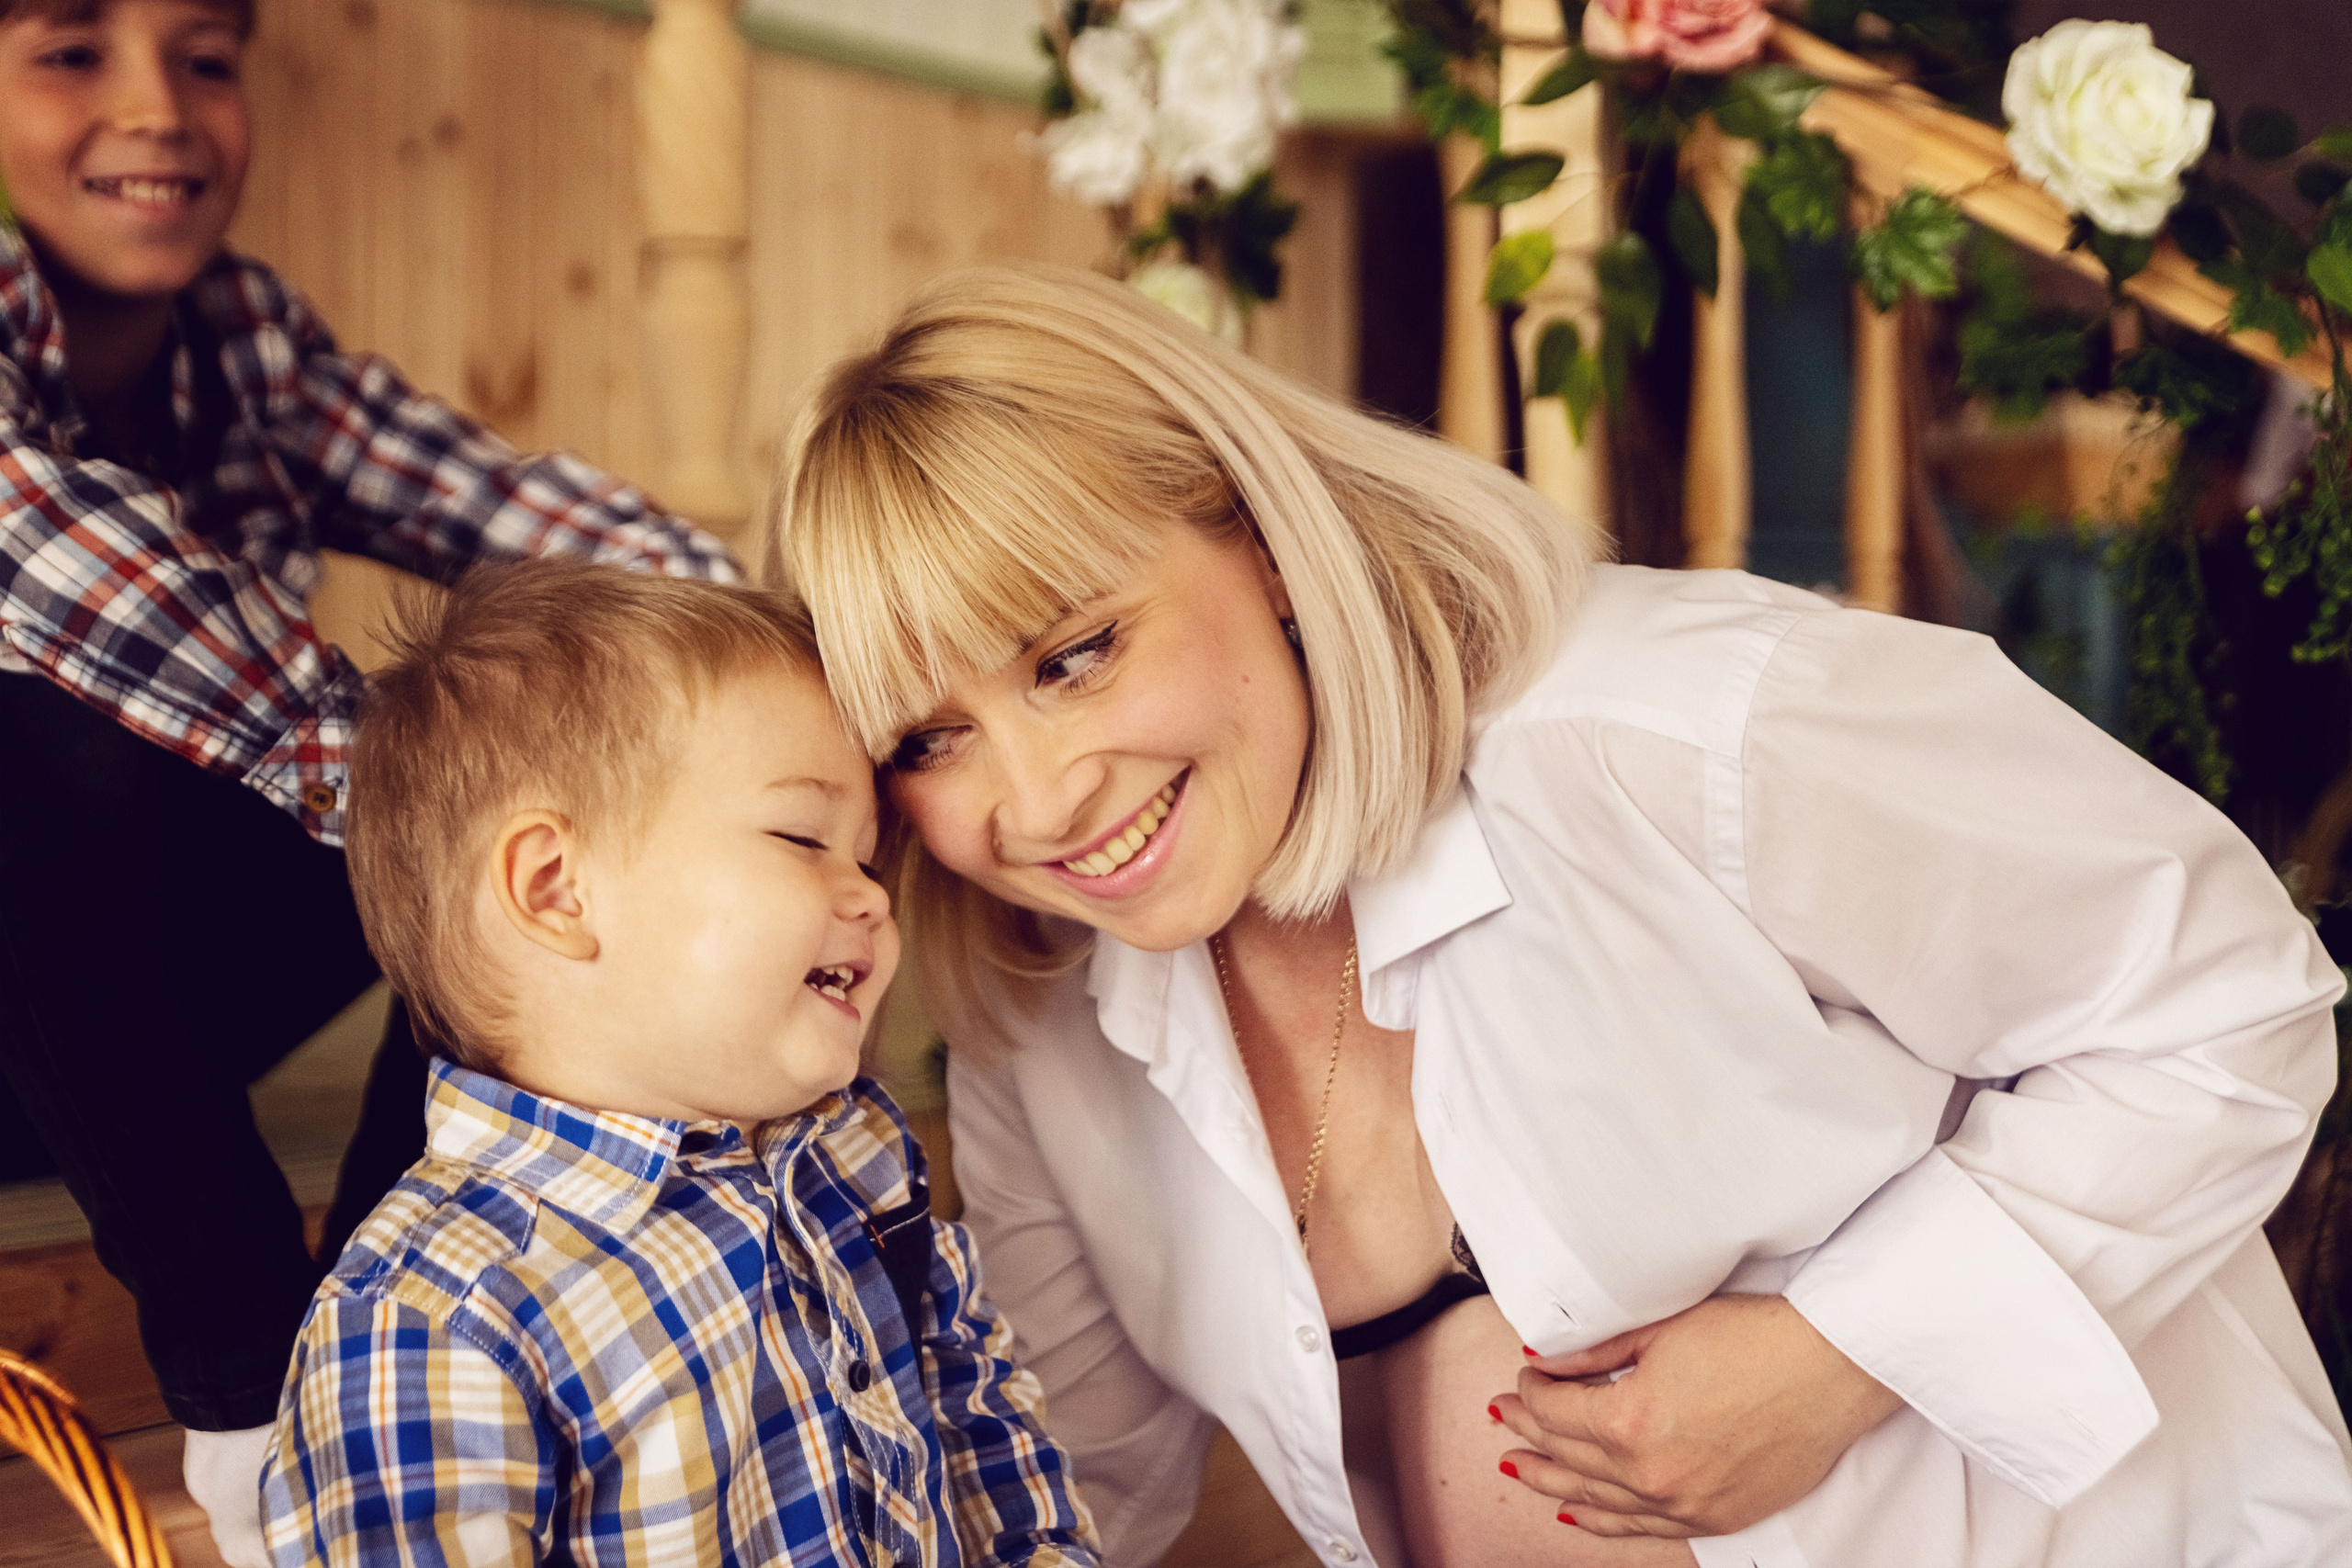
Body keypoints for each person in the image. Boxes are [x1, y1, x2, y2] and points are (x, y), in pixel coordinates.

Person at [763, 263, 2352, 1567]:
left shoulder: (1675, 731)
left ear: (1255, 535)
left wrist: (1850, 1355)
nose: (1035, 804)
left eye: (1072, 654)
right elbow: (1074, 1484)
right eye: (929, 739)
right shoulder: (1039, 1016)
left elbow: (2227, 1005)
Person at [0, 0, 734, 1560]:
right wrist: (418, 783)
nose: (160, 109)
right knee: (32, 733)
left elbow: (526, 509)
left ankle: (403, 1297)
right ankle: (254, 1391)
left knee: (514, 735)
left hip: (131, 1030)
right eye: (71, 54)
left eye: (205, 58)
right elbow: (60, 561)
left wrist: (754, 668)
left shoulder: (247, 344)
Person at [257, 558, 1099, 1568]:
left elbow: (972, 1396)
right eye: (802, 836)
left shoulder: (851, 1151)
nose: (872, 896)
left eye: (868, 858)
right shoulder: (431, 1324)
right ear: (558, 891)